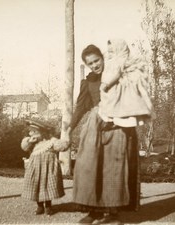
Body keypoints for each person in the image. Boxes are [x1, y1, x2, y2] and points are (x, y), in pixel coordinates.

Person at [65, 44, 140, 224]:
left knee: (113, 171)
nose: (94, 65)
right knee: (89, 167)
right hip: (95, 126)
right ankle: (93, 211)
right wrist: (69, 128)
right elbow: (81, 107)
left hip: (118, 126)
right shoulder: (88, 82)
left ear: (103, 57)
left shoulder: (119, 75)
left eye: (96, 60)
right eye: (90, 63)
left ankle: (113, 212)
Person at [98, 38, 154, 126]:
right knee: (117, 105)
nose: (110, 54)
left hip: (117, 87)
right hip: (116, 87)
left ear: (120, 50)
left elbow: (117, 73)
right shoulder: (115, 60)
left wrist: (107, 83)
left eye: (112, 52)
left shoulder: (119, 60)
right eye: (109, 52)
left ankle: (121, 120)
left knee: (120, 104)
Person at [21, 119, 69, 216]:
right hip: (35, 169)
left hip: (49, 169)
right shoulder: (32, 143)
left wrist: (66, 139)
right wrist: (29, 141)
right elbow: (24, 147)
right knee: (36, 186)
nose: (31, 134)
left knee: (47, 185)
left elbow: (63, 147)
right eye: (30, 132)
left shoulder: (52, 141)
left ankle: (48, 206)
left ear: (42, 132)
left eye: (34, 132)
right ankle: (39, 206)